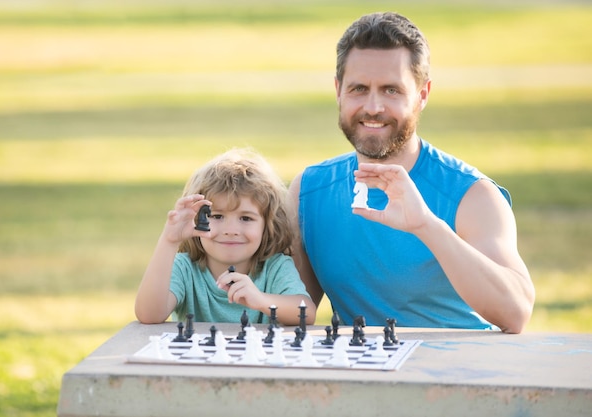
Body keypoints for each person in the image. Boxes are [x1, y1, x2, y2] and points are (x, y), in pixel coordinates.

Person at [288, 12, 535, 333]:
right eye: (359, 88)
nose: (373, 107)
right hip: (361, 374)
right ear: (338, 91)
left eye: (391, 90)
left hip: (461, 375)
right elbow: (291, 310)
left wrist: (426, 225)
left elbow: (515, 313)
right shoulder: (309, 191)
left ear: (422, 94)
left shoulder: (472, 195)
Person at [136, 148, 316, 326]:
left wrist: (260, 300)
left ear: (268, 225)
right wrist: (169, 241)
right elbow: (149, 315)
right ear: (196, 219)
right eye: (217, 216)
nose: (231, 230)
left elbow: (306, 312)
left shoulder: (275, 267)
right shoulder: (185, 268)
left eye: (246, 218)